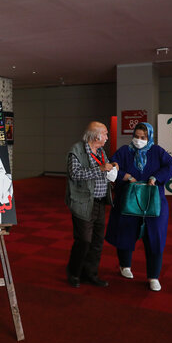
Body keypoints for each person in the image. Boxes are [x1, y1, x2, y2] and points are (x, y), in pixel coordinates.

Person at [105, 122, 172, 292]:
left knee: (155, 237)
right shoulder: (124, 151)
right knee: (125, 231)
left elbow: (171, 166)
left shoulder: (157, 151)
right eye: (136, 136)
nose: (139, 140)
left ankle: (153, 276)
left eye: (143, 137)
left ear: (149, 137)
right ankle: (125, 266)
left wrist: (156, 177)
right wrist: (125, 176)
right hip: (128, 200)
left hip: (153, 202)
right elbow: (111, 167)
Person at [65, 121, 116, 288]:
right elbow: (75, 174)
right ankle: (73, 273)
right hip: (83, 203)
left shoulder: (100, 151)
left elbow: (104, 169)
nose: (107, 137)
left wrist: (112, 169)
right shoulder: (77, 150)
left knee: (97, 241)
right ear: (96, 136)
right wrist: (100, 169)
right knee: (84, 240)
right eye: (106, 134)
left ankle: (91, 273)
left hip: (100, 202)